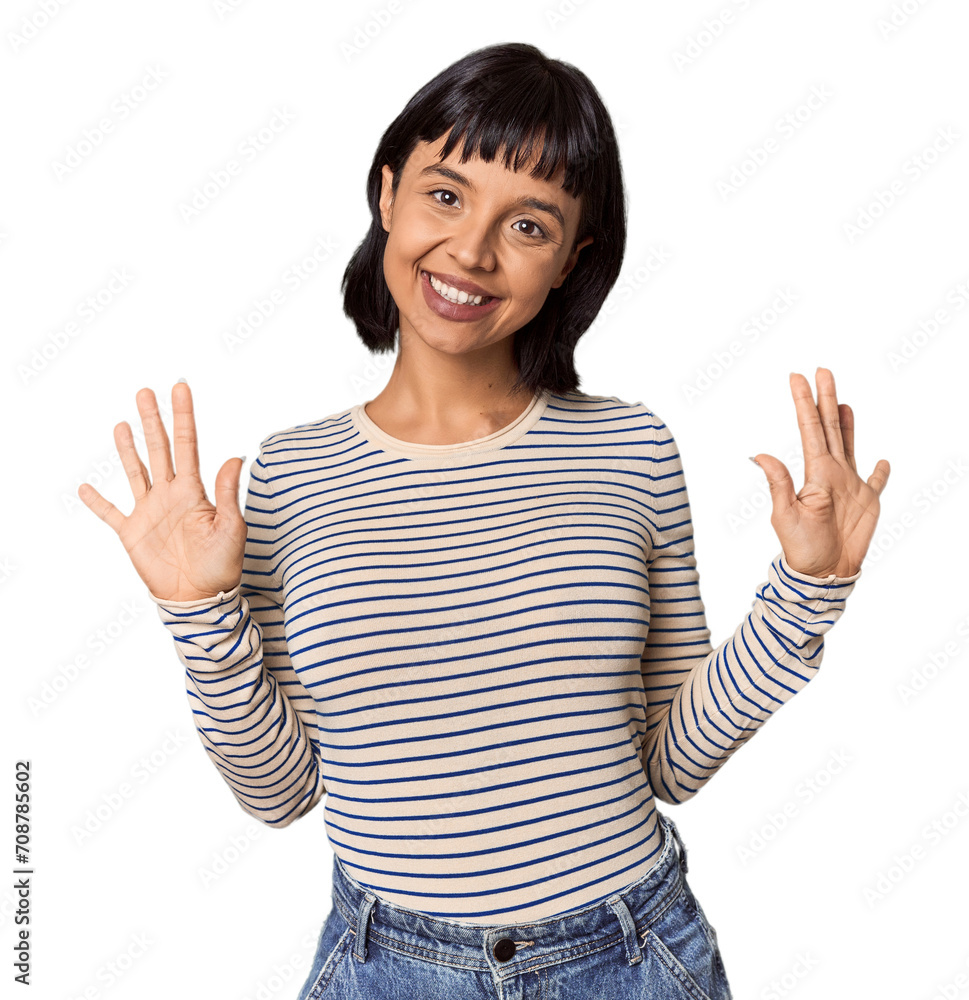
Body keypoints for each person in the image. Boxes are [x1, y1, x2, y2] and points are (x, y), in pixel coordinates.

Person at [78, 41, 890, 1000]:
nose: (470, 251)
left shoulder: (629, 450)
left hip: (628, 960)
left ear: (573, 258)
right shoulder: (291, 476)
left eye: (530, 225)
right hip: (390, 968)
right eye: (447, 195)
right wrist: (199, 614)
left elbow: (669, 762)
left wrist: (807, 595)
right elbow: (280, 791)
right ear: (388, 193)